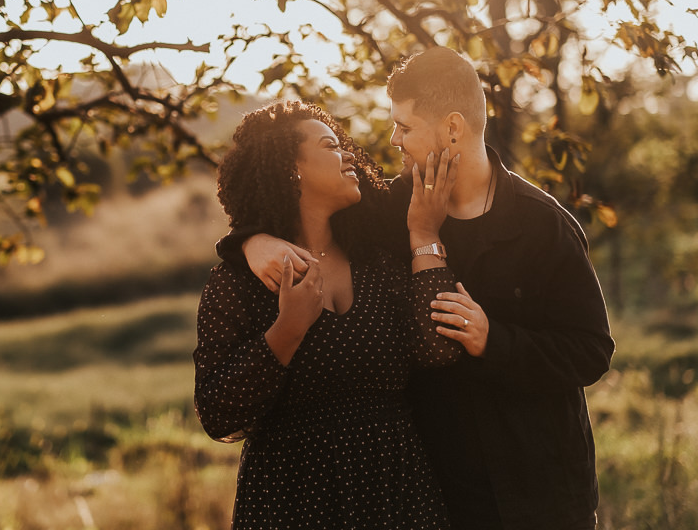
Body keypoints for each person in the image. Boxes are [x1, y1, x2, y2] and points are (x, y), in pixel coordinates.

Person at [221, 47, 615, 530]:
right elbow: (297, 207)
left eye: (404, 127)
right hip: (444, 495)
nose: (394, 140)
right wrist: (250, 242)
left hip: (542, 494)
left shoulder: (543, 225)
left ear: (453, 129)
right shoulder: (386, 212)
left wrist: (494, 340)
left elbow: (591, 351)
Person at [194, 100, 464, 529]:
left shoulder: (376, 263)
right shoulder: (241, 282)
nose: (349, 156)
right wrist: (287, 330)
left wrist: (424, 234)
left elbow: (438, 350)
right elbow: (217, 413)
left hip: (395, 491)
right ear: (291, 169)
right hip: (294, 500)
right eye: (329, 146)